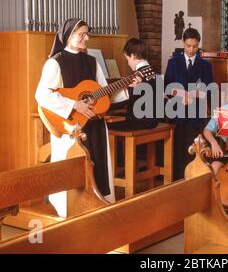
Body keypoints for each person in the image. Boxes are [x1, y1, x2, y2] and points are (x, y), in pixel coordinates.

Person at [35, 18, 138, 217]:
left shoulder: (92, 61)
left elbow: (102, 92)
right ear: (68, 36)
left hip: (95, 125)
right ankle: (69, 209)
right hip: (71, 125)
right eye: (82, 34)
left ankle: (97, 208)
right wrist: (74, 104)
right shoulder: (55, 62)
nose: (87, 37)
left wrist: (126, 86)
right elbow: (42, 95)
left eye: (87, 33)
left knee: (98, 166)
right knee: (72, 169)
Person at [164, 27, 213, 180]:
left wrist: (195, 95)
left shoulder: (205, 65)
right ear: (183, 43)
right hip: (177, 112)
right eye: (188, 46)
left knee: (193, 148)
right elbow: (167, 87)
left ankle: (192, 180)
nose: (191, 50)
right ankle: (177, 181)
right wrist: (180, 95)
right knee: (177, 149)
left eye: (195, 46)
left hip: (196, 114)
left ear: (198, 45)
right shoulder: (173, 62)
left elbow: (209, 89)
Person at [107, 38, 161, 131]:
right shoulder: (153, 72)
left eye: (127, 59)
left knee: (104, 127)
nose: (128, 63)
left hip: (140, 121)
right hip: (153, 120)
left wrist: (105, 104)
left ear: (132, 56)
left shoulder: (137, 75)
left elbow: (122, 100)